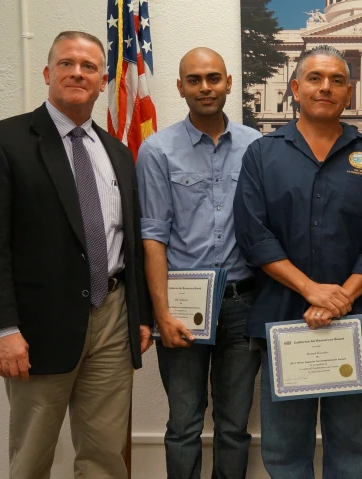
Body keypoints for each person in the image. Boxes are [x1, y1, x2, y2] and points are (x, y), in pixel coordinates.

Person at [0, 31, 152, 478]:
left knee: (105, 454)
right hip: (37, 325)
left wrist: (139, 316)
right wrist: (0, 327)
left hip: (113, 316)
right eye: (66, 64)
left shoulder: (119, 153)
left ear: (104, 81)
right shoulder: (2, 142)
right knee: (33, 455)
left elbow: (131, 239)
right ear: (48, 74)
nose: (77, 73)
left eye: (88, 67)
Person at [233, 45, 362, 478]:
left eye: (337, 81)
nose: (325, 87)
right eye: (315, 78)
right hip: (283, 321)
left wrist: (338, 299)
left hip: (353, 322)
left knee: (353, 448)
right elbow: (255, 236)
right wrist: (312, 291)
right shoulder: (262, 154)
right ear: (295, 88)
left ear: (349, 93)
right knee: (285, 449)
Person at [136, 47, 262, 479]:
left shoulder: (258, 146)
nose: (205, 87)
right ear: (180, 87)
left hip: (243, 303)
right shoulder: (157, 150)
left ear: (228, 82)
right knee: (184, 424)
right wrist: (161, 313)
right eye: (194, 80)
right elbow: (152, 236)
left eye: (213, 78)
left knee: (234, 426)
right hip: (182, 306)